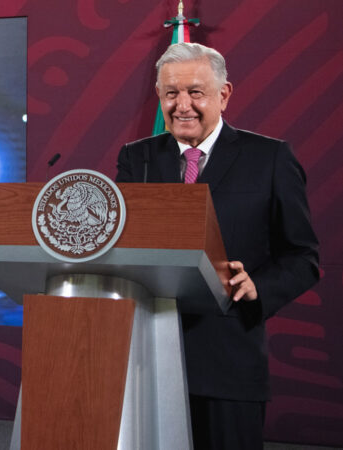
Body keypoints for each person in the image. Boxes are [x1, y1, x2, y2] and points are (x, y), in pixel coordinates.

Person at [115, 42, 319, 449]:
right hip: (146, 358)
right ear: (159, 96)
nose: (182, 105)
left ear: (223, 95)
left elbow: (303, 257)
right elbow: (123, 241)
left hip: (229, 361)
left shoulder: (271, 159)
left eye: (195, 92)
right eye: (171, 94)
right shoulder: (135, 159)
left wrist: (259, 286)